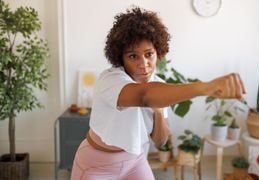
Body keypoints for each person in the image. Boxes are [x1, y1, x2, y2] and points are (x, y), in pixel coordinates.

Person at [71, 7, 245, 180]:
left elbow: (161, 141)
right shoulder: (110, 80)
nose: (143, 63)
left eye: (149, 54)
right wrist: (205, 87)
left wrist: (159, 111)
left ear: (158, 53)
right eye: (133, 56)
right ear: (121, 58)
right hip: (97, 164)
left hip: (135, 162)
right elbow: (144, 96)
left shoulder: (160, 88)